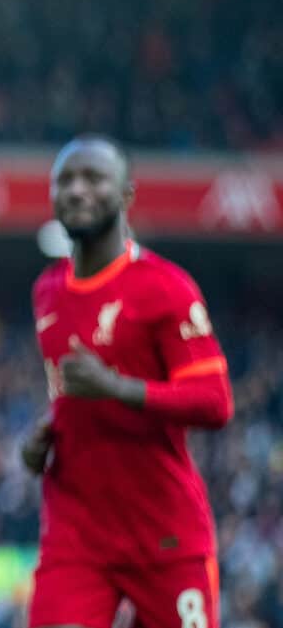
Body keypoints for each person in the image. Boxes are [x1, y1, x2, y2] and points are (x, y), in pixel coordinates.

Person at [21, 136, 234, 628]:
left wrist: (117, 387)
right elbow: (70, 395)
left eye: (93, 178)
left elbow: (216, 402)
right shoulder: (47, 291)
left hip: (165, 535)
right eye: (65, 181)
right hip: (77, 535)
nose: (77, 191)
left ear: (127, 194)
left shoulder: (165, 287)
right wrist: (46, 437)